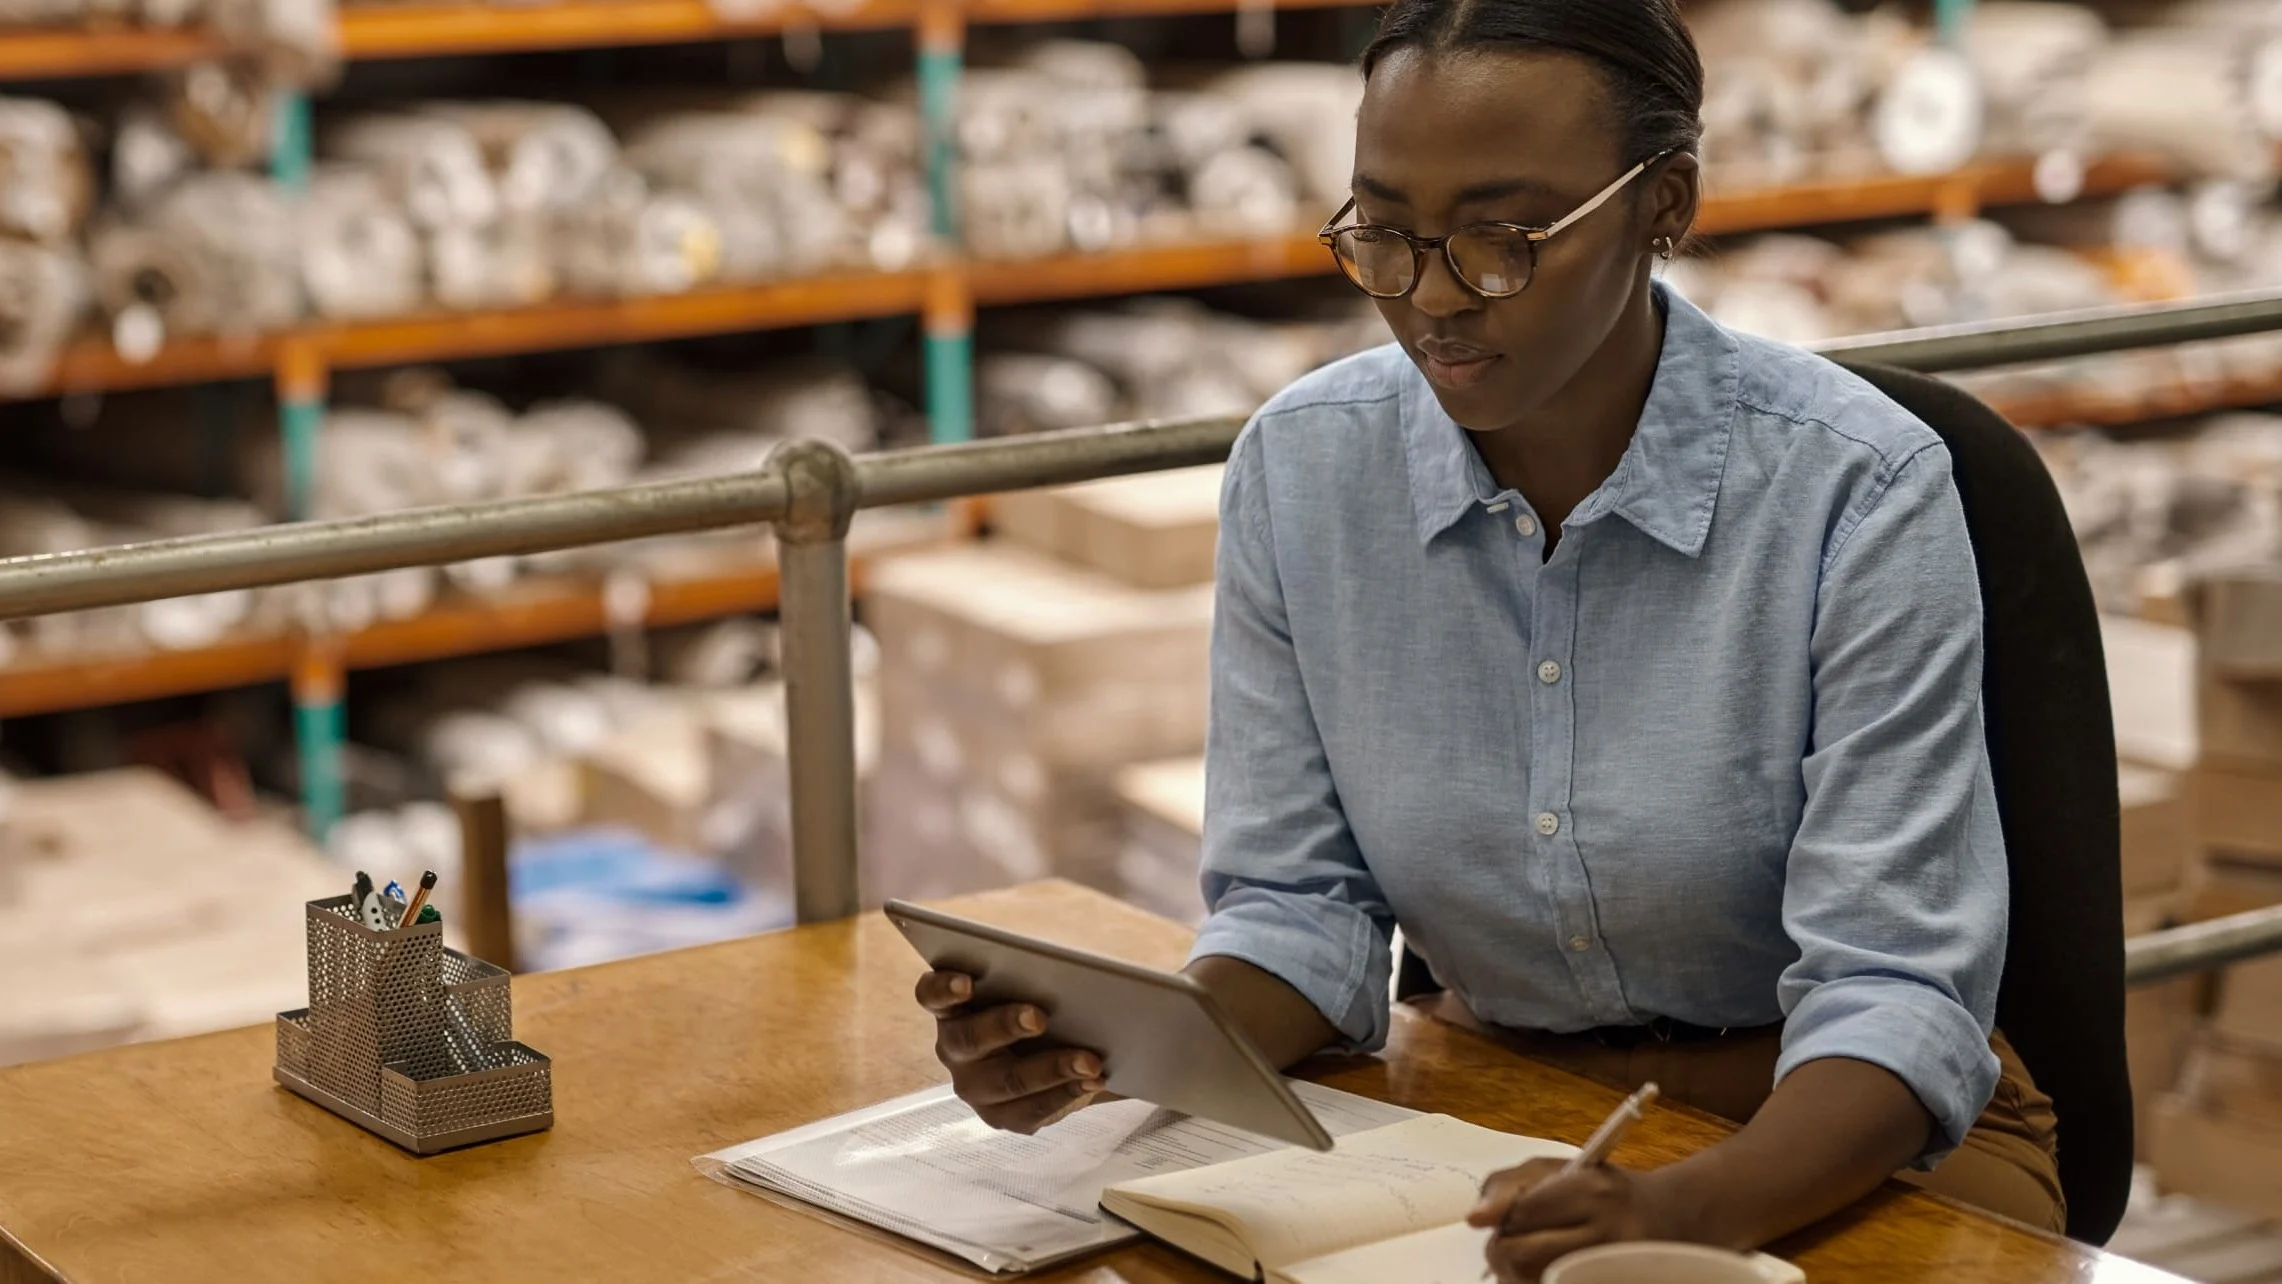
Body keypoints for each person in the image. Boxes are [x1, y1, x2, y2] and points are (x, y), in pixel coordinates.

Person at [916, 0, 2064, 1275]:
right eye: (1383, 234)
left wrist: (1679, 1212)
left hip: (1835, 1132)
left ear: (1661, 203)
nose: (1431, 300)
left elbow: (1896, 992)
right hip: (1487, 1107)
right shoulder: (1303, 472)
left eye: (1501, 240)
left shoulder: (1855, 490)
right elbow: (1300, 910)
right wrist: (1114, 1054)